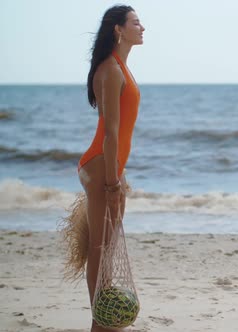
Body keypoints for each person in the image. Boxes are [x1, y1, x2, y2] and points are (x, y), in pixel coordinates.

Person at [61, 5, 144, 331]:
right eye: (136, 22)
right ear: (118, 30)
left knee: (106, 245)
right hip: (100, 168)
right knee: (99, 246)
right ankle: (100, 323)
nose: (143, 27)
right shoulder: (110, 70)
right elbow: (110, 133)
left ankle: (105, 317)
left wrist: (117, 176)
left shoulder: (121, 66)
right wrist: (111, 183)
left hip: (110, 168)